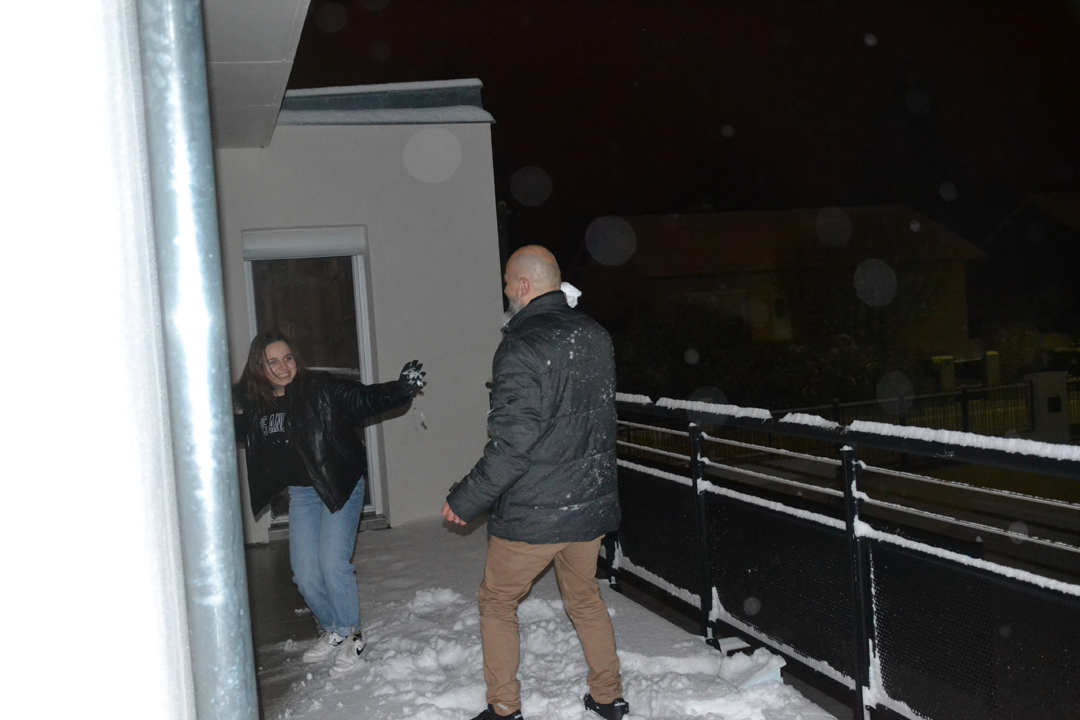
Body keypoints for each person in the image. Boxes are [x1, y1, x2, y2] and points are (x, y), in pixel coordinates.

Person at [442, 246, 629, 720]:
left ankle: (504, 708)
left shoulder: (521, 346)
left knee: (497, 602)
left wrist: (466, 498)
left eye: (507, 282)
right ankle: (608, 697)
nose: (506, 290)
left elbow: (513, 444)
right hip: (586, 505)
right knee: (584, 598)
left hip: (536, 512)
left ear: (523, 286)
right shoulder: (594, 334)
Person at [234, 330, 425, 677]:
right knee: (305, 575)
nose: (283, 367)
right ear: (259, 367)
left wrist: (399, 389)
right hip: (303, 494)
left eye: (287, 358)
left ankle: (352, 633)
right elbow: (224, 423)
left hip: (340, 485)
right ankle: (333, 629)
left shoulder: (318, 387)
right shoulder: (255, 405)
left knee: (333, 564)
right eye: (272, 362)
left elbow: (361, 399)